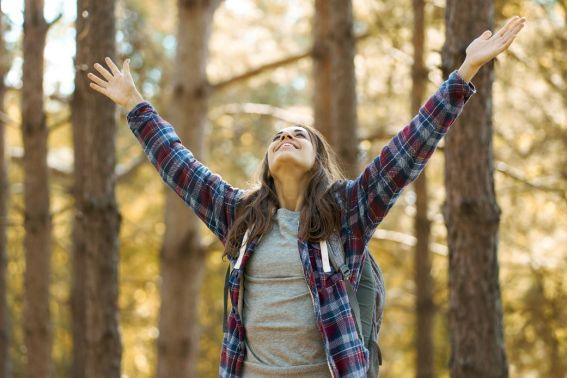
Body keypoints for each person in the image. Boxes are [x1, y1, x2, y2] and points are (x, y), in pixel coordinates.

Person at [88, 15, 526, 378]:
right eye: (278, 136)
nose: (286, 136)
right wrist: (134, 104)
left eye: (299, 135)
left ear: (317, 160)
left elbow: (408, 149)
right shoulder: (240, 217)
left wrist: (463, 73)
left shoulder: (347, 214)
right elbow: (179, 166)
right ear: (266, 163)